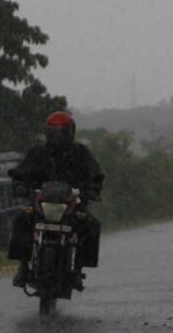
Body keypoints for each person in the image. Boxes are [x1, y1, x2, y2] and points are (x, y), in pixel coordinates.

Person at [7, 111, 104, 288]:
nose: (58, 137)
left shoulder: (81, 153)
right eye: (54, 132)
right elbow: (22, 171)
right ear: (47, 133)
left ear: (71, 132)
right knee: (21, 220)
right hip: (40, 206)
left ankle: (78, 269)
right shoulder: (38, 152)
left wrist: (93, 189)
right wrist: (19, 184)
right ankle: (22, 266)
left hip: (73, 207)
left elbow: (94, 173)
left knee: (91, 226)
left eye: (63, 131)